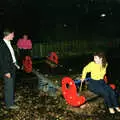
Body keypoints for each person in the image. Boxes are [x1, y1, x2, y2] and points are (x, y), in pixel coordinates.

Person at [0, 28, 20, 109]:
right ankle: (9, 104)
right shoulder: (2, 45)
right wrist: (6, 71)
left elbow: (11, 56)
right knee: (9, 86)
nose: (14, 36)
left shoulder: (8, 42)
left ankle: (10, 100)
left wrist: (15, 64)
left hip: (12, 67)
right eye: (13, 34)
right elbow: (2, 60)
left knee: (11, 86)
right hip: (7, 69)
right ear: (8, 34)